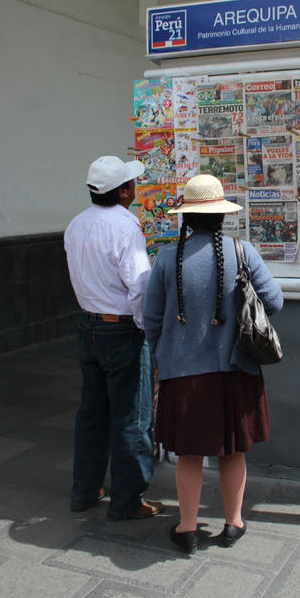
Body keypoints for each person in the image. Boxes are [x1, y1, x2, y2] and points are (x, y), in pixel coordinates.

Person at [143, 173, 283, 555]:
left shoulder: (167, 258)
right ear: (222, 216)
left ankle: (187, 528)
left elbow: (151, 317)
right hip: (235, 370)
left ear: (186, 218)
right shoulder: (244, 252)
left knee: (188, 453)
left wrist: (162, 356)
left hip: (183, 373)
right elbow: (274, 301)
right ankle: (233, 522)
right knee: (233, 450)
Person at [64, 155, 167, 521]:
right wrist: (145, 327)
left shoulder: (76, 225)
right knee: (131, 417)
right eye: (131, 183)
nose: (135, 188)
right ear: (124, 191)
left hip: (88, 325)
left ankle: (86, 488)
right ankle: (127, 499)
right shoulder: (126, 228)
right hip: (121, 328)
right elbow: (139, 287)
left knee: (91, 412)